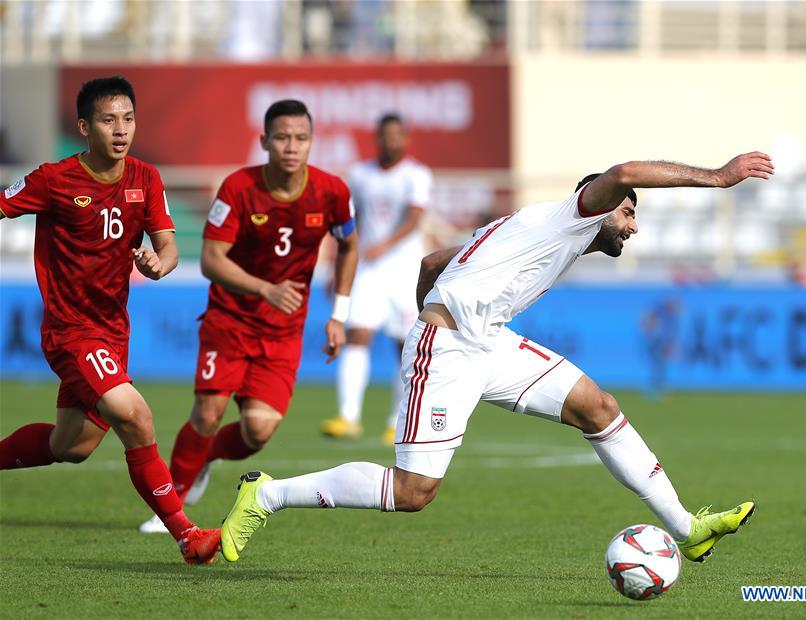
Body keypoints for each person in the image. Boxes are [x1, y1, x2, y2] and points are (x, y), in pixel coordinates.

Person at [219, 151, 775, 564]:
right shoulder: (575, 214)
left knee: (598, 407)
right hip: (450, 348)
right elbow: (626, 171)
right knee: (414, 493)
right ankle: (266, 493)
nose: (633, 226)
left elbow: (433, 262)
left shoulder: (535, 232)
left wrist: (436, 312)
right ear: (602, 205)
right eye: (628, 215)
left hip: (490, 342)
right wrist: (718, 178)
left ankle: (686, 527)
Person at [0, 76, 220, 564]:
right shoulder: (52, 179)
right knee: (137, 416)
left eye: (128, 118)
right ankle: (187, 535)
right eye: (108, 119)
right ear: (83, 126)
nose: (121, 129)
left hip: (113, 332)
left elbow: (169, 248)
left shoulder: (146, 178)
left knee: (71, 445)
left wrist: (158, 265)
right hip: (70, 330)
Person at [139, 100, 358, 533]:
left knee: (258, 431)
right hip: (231, 318)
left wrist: (339, 314)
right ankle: (172, 510)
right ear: (264, 141)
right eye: (281, 137)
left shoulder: (333, 191)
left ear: (312, 142)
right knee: (207, 413)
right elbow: (210, 260)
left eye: (300, 138)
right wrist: (264, 289)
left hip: (283, 330)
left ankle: (206, 457)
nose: (291, 147)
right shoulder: (239, 187)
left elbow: (349, 245)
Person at [320, 113, 433, 444]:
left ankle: (396, 421)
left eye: (397, 135)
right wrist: (334, 264)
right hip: (368, 269)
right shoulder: (360, 174)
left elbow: (415, 218)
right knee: (357, 334)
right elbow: (346, 220)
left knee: (405, 345)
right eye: (385, 135)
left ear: (406, 138)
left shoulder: (416, 174)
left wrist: (381, 245)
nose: (391, 141)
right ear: (377, 137)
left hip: (405, 270)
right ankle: (348, 416)